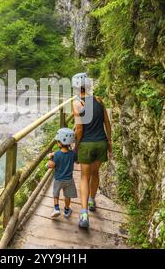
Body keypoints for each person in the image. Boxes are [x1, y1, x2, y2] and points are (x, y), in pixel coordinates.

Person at [72, 73, 112, 229]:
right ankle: (92, 200)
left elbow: (79, 128)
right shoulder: (99, 101)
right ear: (88, 86)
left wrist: (76, 145)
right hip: (101, 143)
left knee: (84, 177)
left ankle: (83, 214)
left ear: (76, 87)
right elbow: (107, 124)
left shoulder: (77, 104)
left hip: (87, 145)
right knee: (95, 173)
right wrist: (109, 141)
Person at [46, 128, 78, 219]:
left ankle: (56, 208)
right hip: (69, 179)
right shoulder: (72, 154)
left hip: (58, 179)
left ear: (60, 143)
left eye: (57, 141)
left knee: (56, 194)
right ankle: (67, 211)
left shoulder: (56, 155)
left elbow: (52, 165)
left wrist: (49, 159)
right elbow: (76, 161)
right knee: (67, 195)